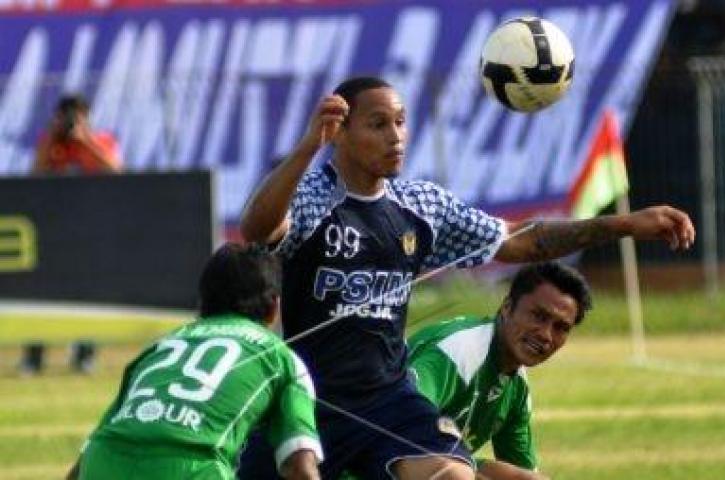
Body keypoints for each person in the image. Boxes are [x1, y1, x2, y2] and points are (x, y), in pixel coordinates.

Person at [238, 76, 694, 479]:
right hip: (308, 399)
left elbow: (521, 241)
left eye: (401, 122)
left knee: (455, 477)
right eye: (379, 125)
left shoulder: (421, 206)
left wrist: (622, 224)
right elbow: (257, 230)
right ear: (340, 133)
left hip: (387, 399)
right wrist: (306, 148)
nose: (396, 136)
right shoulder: (315, 198)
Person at [66, 244, 322, 480]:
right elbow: (300, 468)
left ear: (203, 302)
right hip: (192, 469)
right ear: (274, 307)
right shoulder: (282, 358)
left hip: (103, 462)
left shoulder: (159, 347)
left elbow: (80, 467)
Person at [407, 262, 592, 480]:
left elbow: (522, 468)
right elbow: (399, 421)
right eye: (538, 316)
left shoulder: (516, 388)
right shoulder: (457, 352)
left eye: (560, 328)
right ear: (507, 306)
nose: (546, 335)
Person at [33, 94, 122, 174]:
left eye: (77, 120)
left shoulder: (103, 140)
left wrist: (86, 142)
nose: (71, 124)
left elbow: (116, 170)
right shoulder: (52, 143)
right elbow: (36, 173)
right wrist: (51, 137)